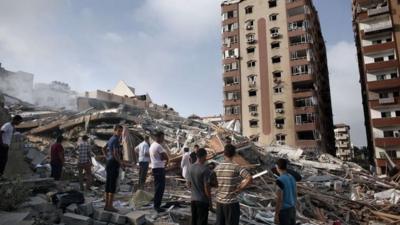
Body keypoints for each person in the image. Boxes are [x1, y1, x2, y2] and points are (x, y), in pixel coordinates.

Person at [215, 144, 252, 225]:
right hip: (231, 203)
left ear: (224, 154)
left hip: (219, 203)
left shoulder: (217, 168)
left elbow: (213, 183)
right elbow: (249, 178)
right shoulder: (236, 167)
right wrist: (240, 188)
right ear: (235, 154)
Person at [188, 148, 215, 225]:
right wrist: (210, 203)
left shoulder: (191, 167)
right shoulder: (205, 170)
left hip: (193, 199)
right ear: (204, 156)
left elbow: (189, 184)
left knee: (194, 221)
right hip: (202, 201)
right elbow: (206, 188)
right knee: (202, 222)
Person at [104, 125, 124, 212]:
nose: (120, 133)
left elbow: (103, 148)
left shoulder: (111, 138)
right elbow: (116, 154)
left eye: (121, 131)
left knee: (108, 184)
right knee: (112, 185)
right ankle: (110, 206)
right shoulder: (115, 139)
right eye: (119, 131)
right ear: (114, 131)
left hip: (109, 163)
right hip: (113, 164)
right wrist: (121, 163)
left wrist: (107, 157)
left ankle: (106, 205)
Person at [149, 131, 169, 213]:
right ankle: (157, 206)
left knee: (158, 187)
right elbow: (165, 157)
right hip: (159, 168)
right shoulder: (158, 146)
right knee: (160, 188)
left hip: (155, 167)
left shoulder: (152, 145)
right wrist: (166, 160)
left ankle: (156, 204)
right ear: (159, 137)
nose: (163, 139)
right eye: (163, 137)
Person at [274, 158, 297, 225]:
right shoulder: (292, 177)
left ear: (277, 167)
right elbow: (295, 194)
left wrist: (276, 214)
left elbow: (279, 199)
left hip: (284, 212)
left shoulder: (279, 180)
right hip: (292, 210)